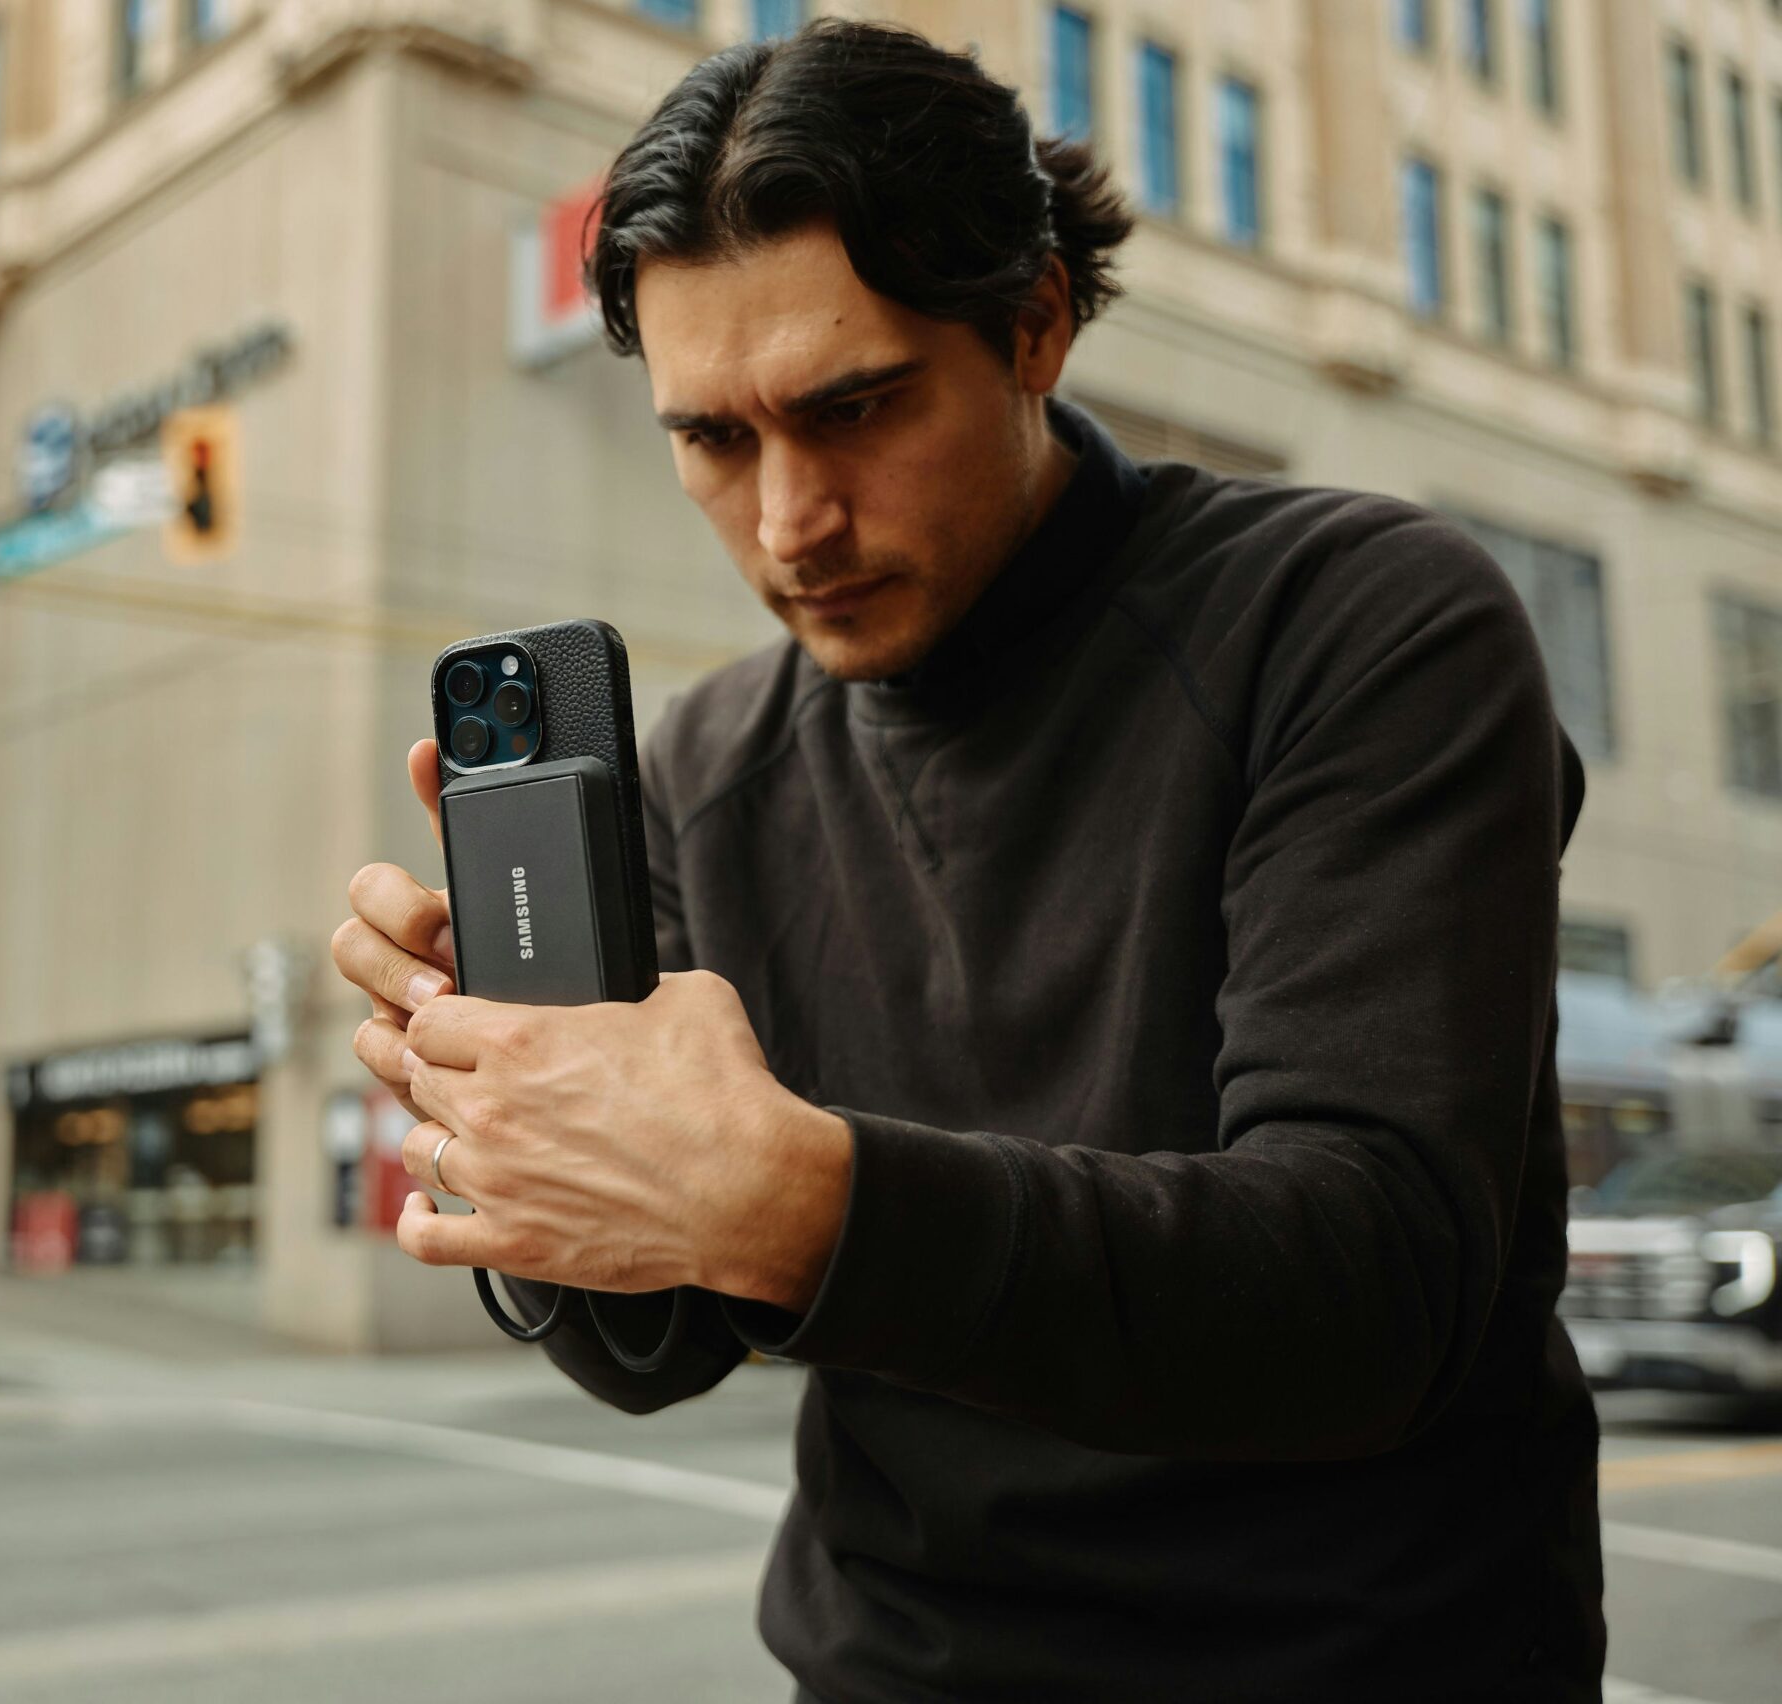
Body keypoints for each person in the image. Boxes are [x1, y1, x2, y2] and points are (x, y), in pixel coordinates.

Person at [332, 21, 1602, 1704]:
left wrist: (795, 1195)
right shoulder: (702, 769)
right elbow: (649, 1348)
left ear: (1036, 322)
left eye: (850, 408)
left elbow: (1373, 1284)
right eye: (713, 438)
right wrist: (517, 1114)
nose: (789, 519)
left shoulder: (1357, 620)